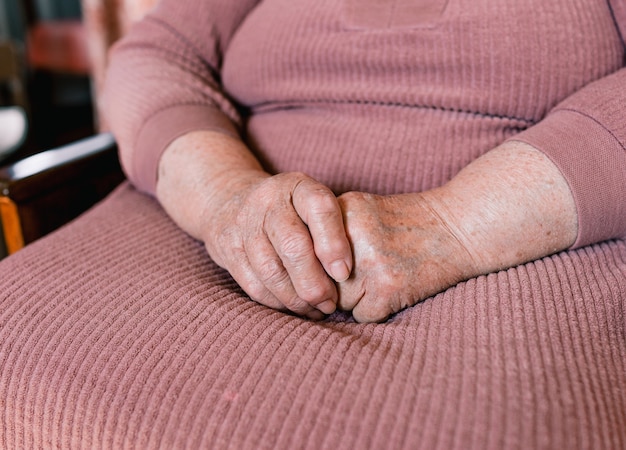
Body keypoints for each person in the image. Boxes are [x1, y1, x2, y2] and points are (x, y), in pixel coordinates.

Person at [1, 0, 625, 448]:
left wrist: (453, 224)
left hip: (524, 231)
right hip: (217, 205)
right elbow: (154, 55)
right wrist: (226, 198)